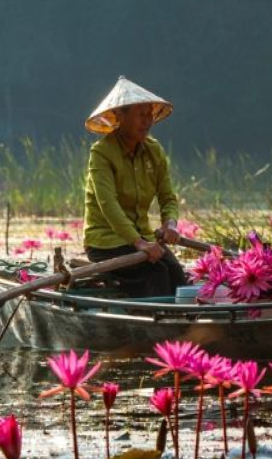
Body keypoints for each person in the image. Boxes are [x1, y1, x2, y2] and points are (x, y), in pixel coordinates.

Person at [82, 76, 186, 297]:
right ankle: (157, 328)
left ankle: (180, 329)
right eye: (140, 115)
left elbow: (167, 197)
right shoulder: (102, 153)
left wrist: (170, 224)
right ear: (121, 116)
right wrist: (138, 242)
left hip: (143, 239)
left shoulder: (154, 150)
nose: (147, 121)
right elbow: (107, 204)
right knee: (156, 274)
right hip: (106, 243)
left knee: (177, 274)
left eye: (149, 114)